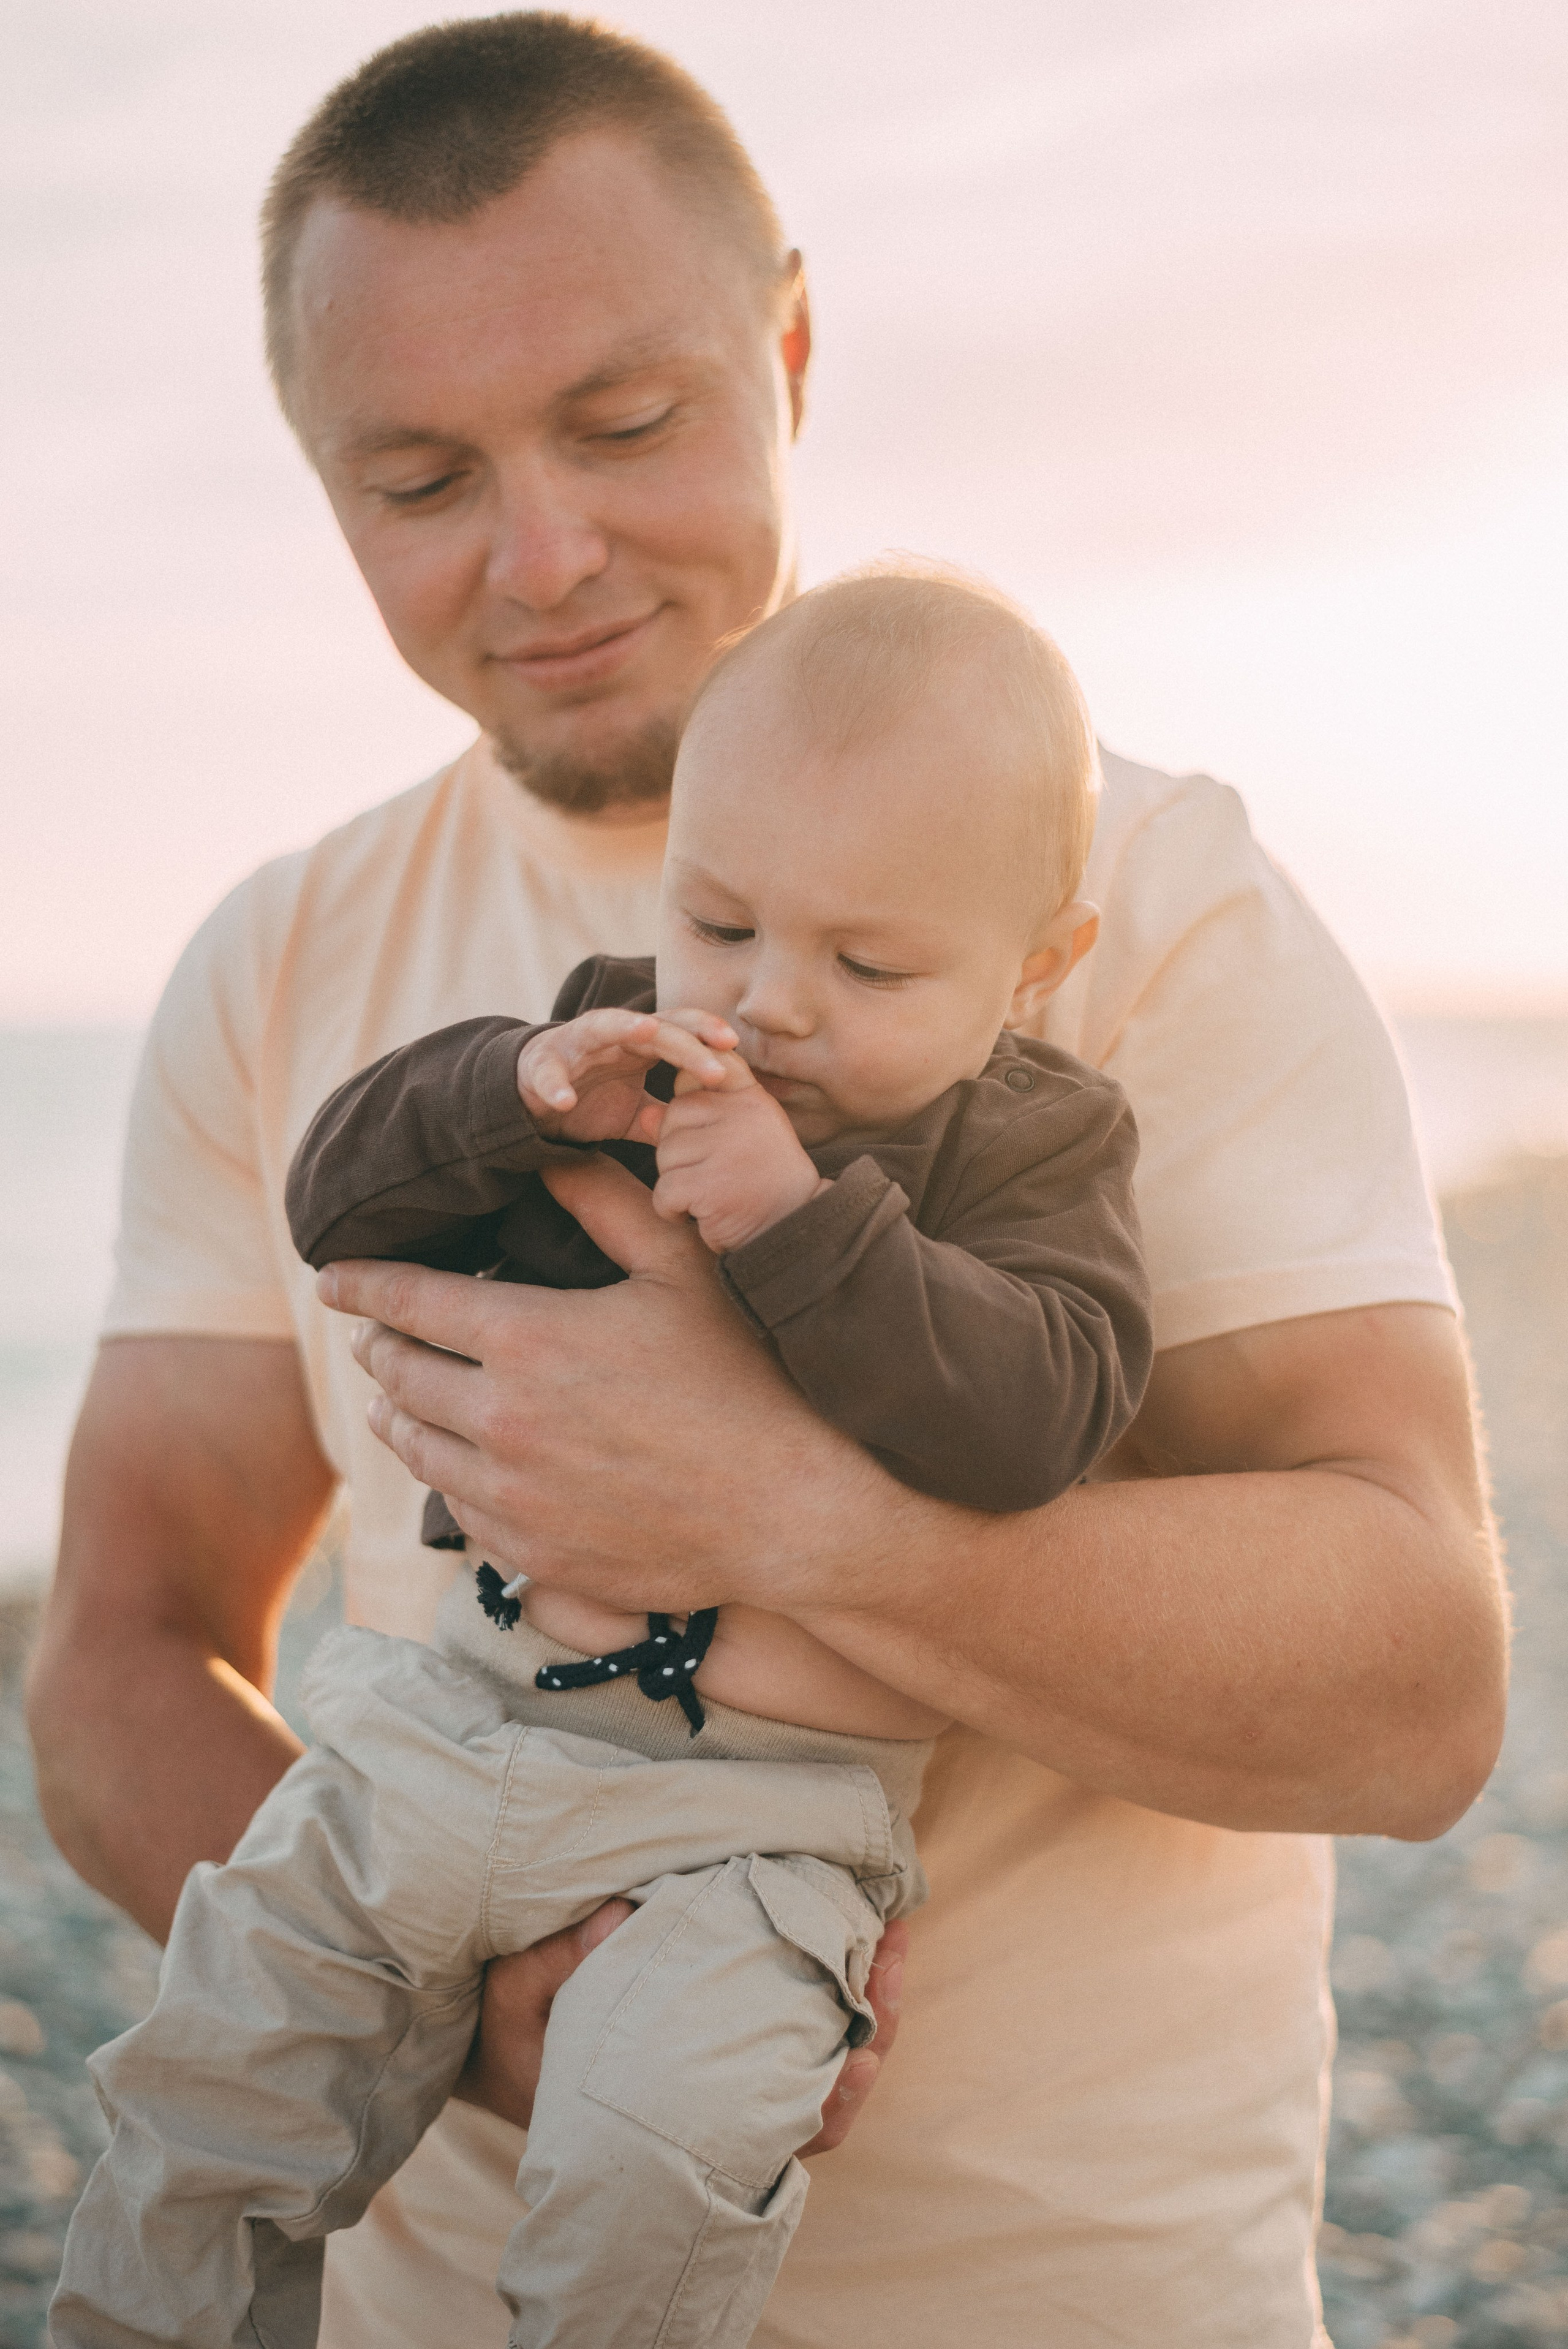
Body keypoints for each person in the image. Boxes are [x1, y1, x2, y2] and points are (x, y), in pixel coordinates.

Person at [28, 16, 1505, 2348]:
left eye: (625, 424)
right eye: (415, 477)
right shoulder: (285, 953)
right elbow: (121, 1631)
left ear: (791, 348)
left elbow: (1423, 1690)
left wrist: (776, 1506)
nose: (545, 552)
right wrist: (468, 2007)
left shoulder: (1150, 904)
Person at [51, 567, 1152, 2349]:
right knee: (217, 2078)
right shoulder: (609, 1034)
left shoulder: (1034, 1150)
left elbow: (1039, 1415)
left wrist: (804, 1226)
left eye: (869, 963)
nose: (772, 1005)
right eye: (719, 921)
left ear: (1035, 964)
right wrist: (506, 1086)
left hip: (760, 1823)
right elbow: (334, 1203)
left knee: (658, 2172)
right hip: (453, 1715)